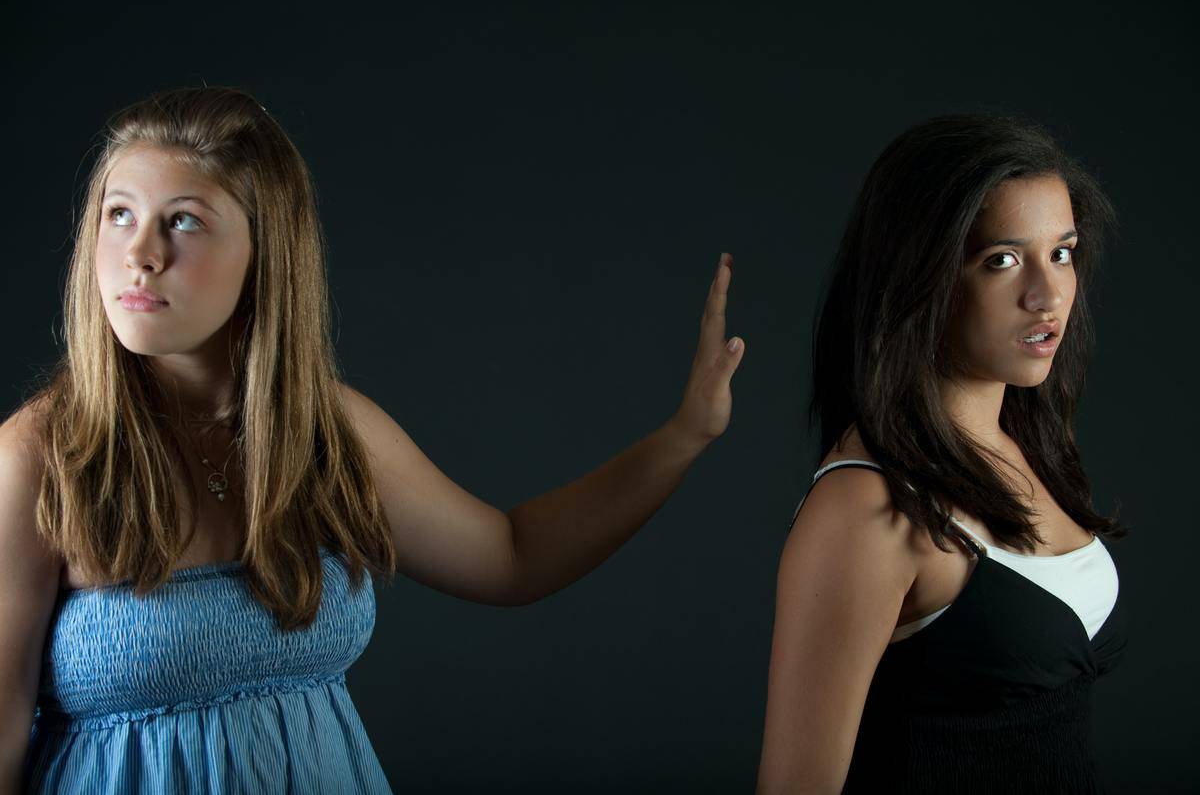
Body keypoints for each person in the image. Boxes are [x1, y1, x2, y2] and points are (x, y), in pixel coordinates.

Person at [0, 85, 746, 794]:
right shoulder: (37, 460)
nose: (140, 254)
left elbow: (513, 557)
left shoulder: (329, 434)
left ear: (268, 251)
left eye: (184, 220)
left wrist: (682, 438)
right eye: (119, 214)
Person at [757, 115, 1129, 793]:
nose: (1048, 296)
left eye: (1063, 253)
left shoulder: (1024, 444)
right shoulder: (868, 508)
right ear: (920, 276)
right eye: (1003, 260)